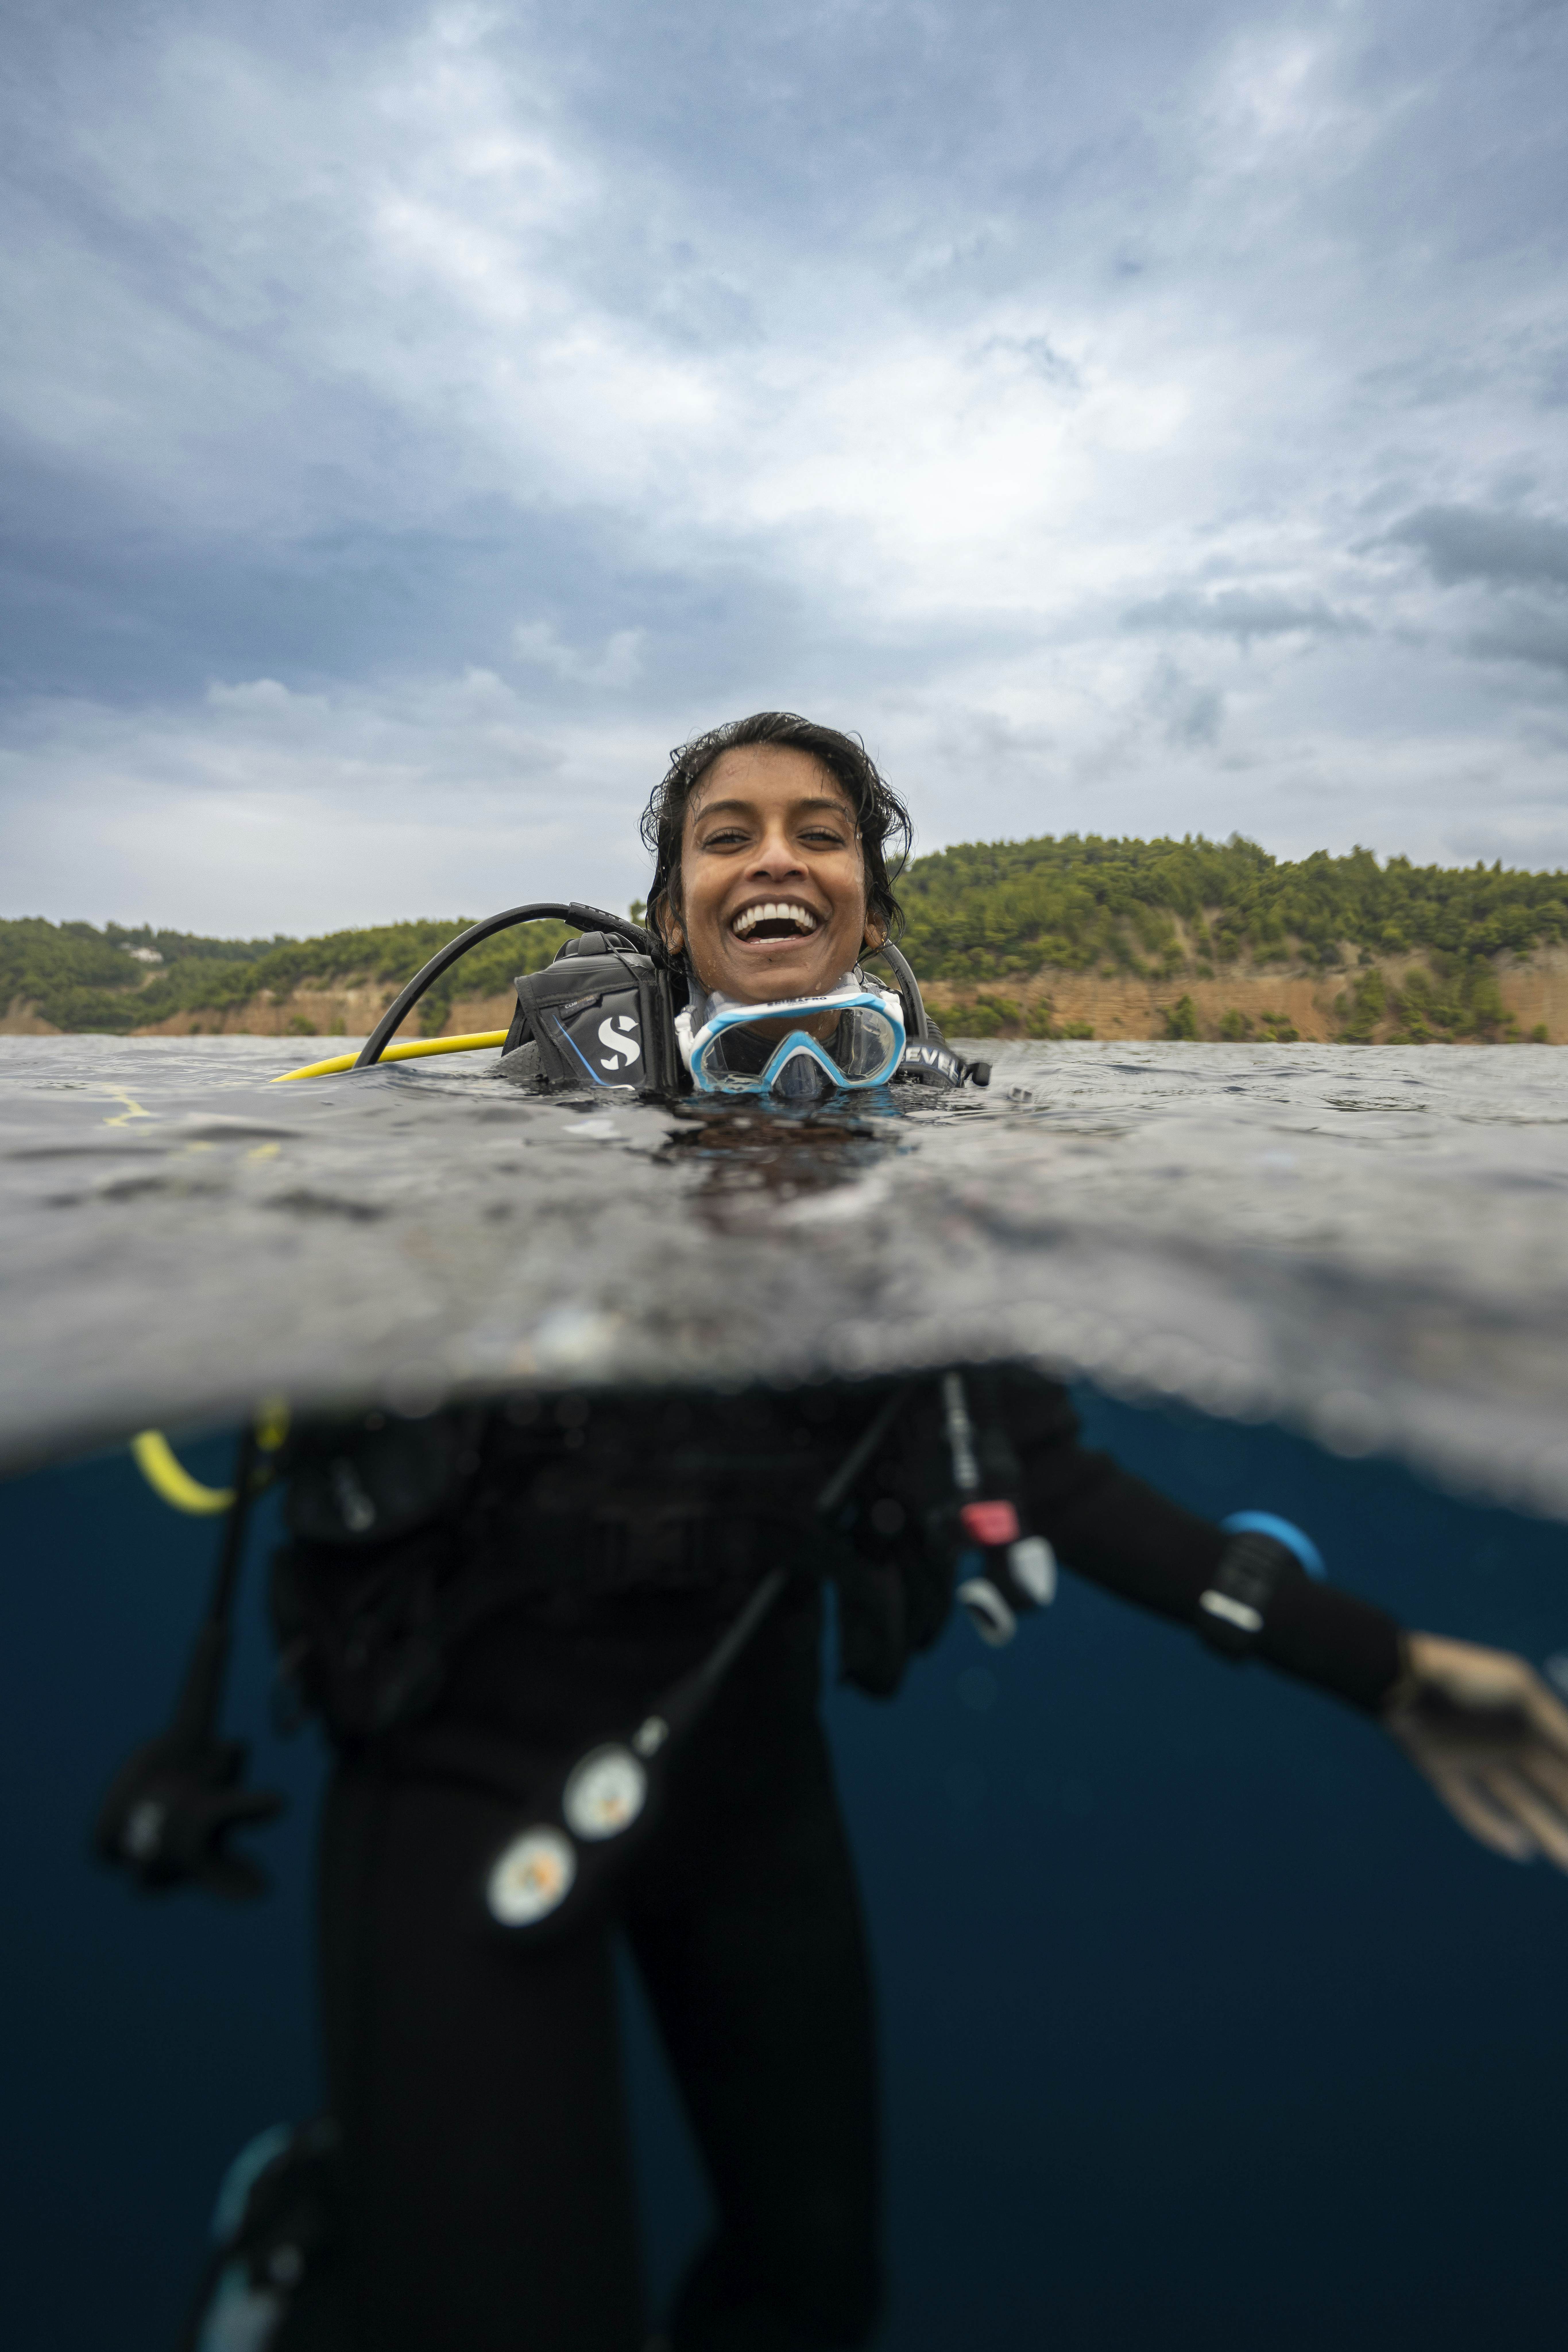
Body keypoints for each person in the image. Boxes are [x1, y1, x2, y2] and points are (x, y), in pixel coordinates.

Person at [258, 713, 1568, 2352]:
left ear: (869, 905)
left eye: (819, 832)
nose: (775, 859)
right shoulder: (511, 1142)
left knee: (815, 2293)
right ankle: (333, 2237)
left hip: (747, 1767)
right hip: (460, 1759)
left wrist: (1386, 1670)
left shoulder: (932, 1172)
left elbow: (1056, 1481)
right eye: (725, 835)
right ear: (670, 914)